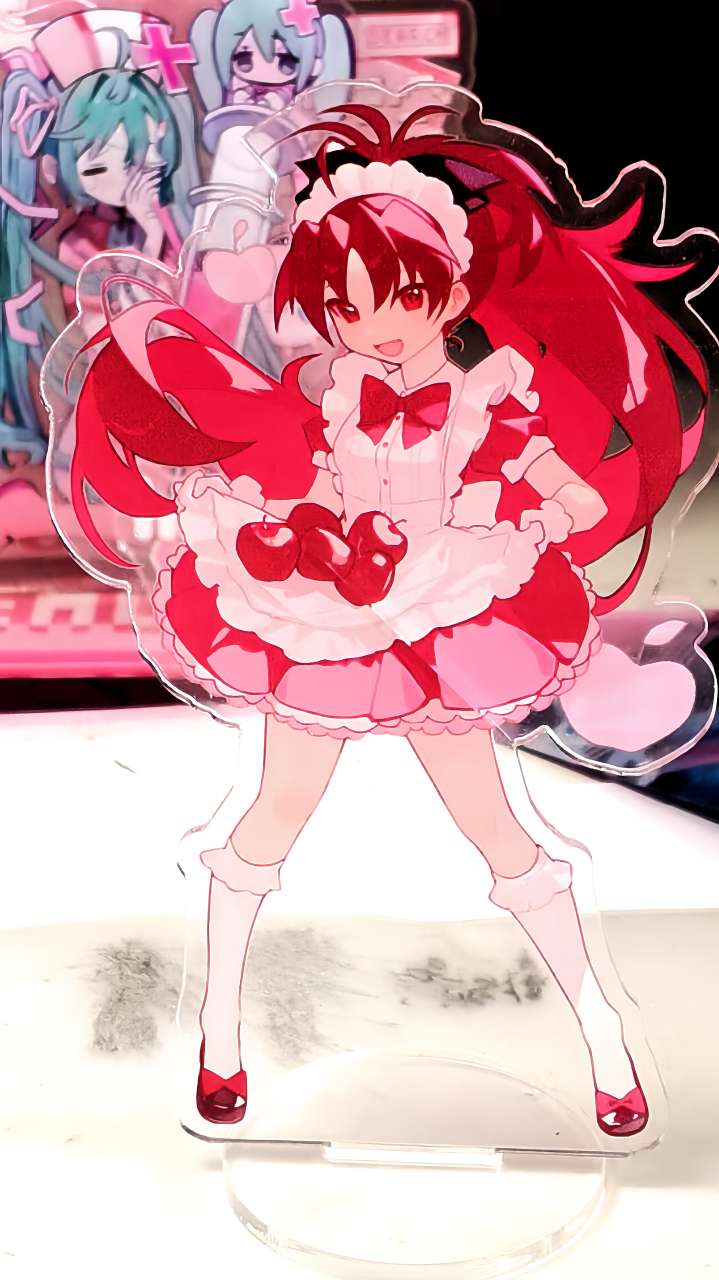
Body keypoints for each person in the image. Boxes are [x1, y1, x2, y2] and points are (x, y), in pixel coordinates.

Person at [47, 104, 717, 1139]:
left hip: (444, 607)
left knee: (502, 834)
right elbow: (300, 474)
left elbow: (569, 490)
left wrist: (533, 511)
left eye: (402, 294)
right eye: (348, 304)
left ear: (449, 289)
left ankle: (603, 1042)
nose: (377, 323)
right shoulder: (332, 394)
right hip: (330, 612)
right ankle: (219, 1038)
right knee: (269, 816)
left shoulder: (488, 397)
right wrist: (246, 504)